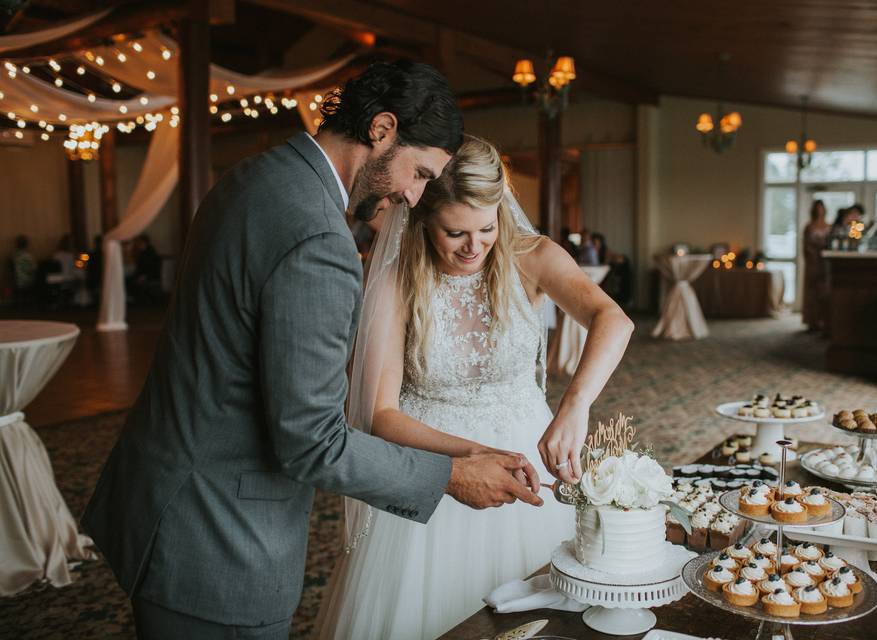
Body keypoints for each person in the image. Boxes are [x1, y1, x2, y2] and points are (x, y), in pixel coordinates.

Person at [82, 61, 543, 640]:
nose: (413, 195)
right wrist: (451, 477)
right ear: (381, 128)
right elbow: (312, 441)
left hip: (160, 496)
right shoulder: (320, 241)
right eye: (420, 172)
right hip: (221, 539)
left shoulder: (255, 176)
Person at [315, 136, 634, 639]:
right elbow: (381, 413)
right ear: (423, 219)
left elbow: (612, 320)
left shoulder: (530, 255)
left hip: (529, 456)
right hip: (437, 465)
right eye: (455, 232)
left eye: (487, 228)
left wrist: (575, 407)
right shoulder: (398, 279)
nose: (474, 246)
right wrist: (474, 455)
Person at [802, 200, 831, 330]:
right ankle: (811, 321)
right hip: (813, 262)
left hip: (825, 263)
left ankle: (824, 321)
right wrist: (813, 256)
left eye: (821, 208)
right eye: (817, 208)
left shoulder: (828, 226)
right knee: (812, 292)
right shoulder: (809, 227)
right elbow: (806, 246)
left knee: (824, 292)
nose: (820, 210)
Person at [11, 234, 37, 306]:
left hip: (16, 280)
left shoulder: (14, 255)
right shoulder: (27, 256)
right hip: (26, 280)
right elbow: (33, 269)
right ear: (26, 244)